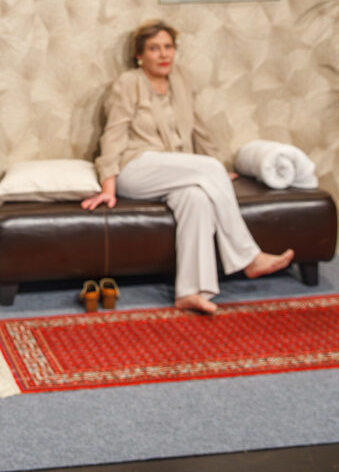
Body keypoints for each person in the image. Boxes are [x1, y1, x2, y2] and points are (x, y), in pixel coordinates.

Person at [81, 20, 292, 314]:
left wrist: (215, 166)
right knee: (207, 172)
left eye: (168, 47)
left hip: (174, 170)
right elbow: (113, 133)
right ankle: (249, 257)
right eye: (154, 48)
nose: (164, 54)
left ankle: (190, 292)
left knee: (197, 199)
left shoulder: (181, 80)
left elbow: (198, 128)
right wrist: (108, 185)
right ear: (139, 55)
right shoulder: (128, 83)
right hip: (136, 168)